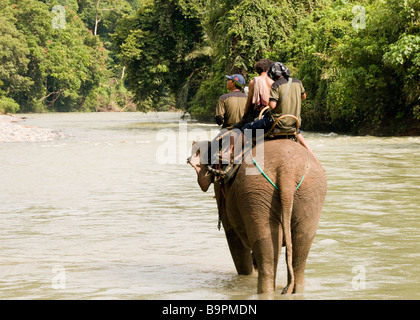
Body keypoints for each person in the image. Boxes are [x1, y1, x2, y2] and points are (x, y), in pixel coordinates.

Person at [241, 61, 313, 153]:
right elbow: (303, 97)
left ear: (273, 75)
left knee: (246, 128)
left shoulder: (276, 85)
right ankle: (309, 150)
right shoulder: (298, 82)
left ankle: (232, 154)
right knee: (297, 132)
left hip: (277, 122)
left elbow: (272, 105)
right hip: (294, 122)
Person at [229, 59, 273, 159]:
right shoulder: (273, 82)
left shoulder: (254, 81)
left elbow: (249, 100)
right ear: (268, 69)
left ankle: (232, 152)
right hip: (269, 112)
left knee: (237, 128)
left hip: (257, 112)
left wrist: (245, 113)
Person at [209, 74, 247, 165]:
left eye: (229, 80)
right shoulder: (247, 98)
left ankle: (209, 174)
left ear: (233, 83)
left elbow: (219, 119)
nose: (227, 82)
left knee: (209, 152)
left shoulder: (224, 98)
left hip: (228, 131)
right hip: (245, 131)